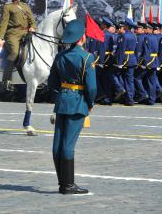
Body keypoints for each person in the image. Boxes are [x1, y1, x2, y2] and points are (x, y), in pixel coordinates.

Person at [48, 19, 96, 195]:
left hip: (62, 101)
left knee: (58, 143)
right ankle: (68, 186)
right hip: (77, 102)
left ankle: (63, 183)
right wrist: (90, 103)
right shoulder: (87, 57)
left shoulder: (59, 56)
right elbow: (91, 87)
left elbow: (52, 82)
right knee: (68, 144)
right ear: (82, 37)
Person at [0, 0, 36, 91]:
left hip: (26, 34)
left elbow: (32, 21)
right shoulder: (8, 7)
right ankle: (6, 80)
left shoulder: (25, 6)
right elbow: (4, 23)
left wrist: (33, 27)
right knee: (14, 53)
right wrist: (1, 38)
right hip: (13, 34)